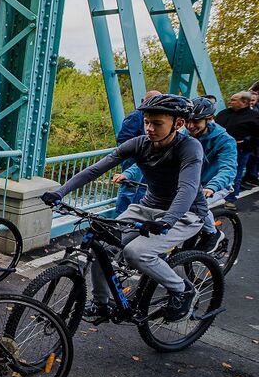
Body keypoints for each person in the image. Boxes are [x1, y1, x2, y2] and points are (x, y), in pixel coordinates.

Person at [42, 94, 206, 322]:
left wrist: (167, 220)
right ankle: (101, 303)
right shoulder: (139, 144)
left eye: (157, 123)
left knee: (136, 252)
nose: (149, 128)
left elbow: (187, 188)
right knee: (101, 243)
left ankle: (182, 290)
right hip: (147, 207)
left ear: (178, 124)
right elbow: (95, 170)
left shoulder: (189, 147)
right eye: (147, 122)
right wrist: (60, 192)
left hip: (185, 213)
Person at [118, 96, 236, 252]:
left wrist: (213, 186)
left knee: (196, 205)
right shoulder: (179, 135)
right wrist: (128, 173)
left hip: (212, 185)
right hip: (186, 183)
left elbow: (228, 168)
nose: (191, 126)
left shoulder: (224, 141)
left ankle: (212, 234)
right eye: (188, 121)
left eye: (196, 122)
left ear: (210, 119)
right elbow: (152, 158)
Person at [114, 90, 162, 214]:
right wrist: (140, 148)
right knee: (129, 186)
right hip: (133, 157)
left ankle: (135, 213)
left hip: (146, 158)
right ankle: (121, 215)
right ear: (144, 101)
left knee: (142, 186)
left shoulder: (150, 116)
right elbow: (123, 138)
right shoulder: (136, 116)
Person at [214, 90, 259, 208]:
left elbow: (257, 137)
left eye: (234, 100)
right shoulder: (223, 113)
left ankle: (230, 200)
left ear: (244, 102)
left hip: (239, 151)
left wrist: (245, 142)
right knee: (213, 171)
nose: (230, 101)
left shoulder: (254, 116)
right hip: (217, 148)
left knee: (234, 174)